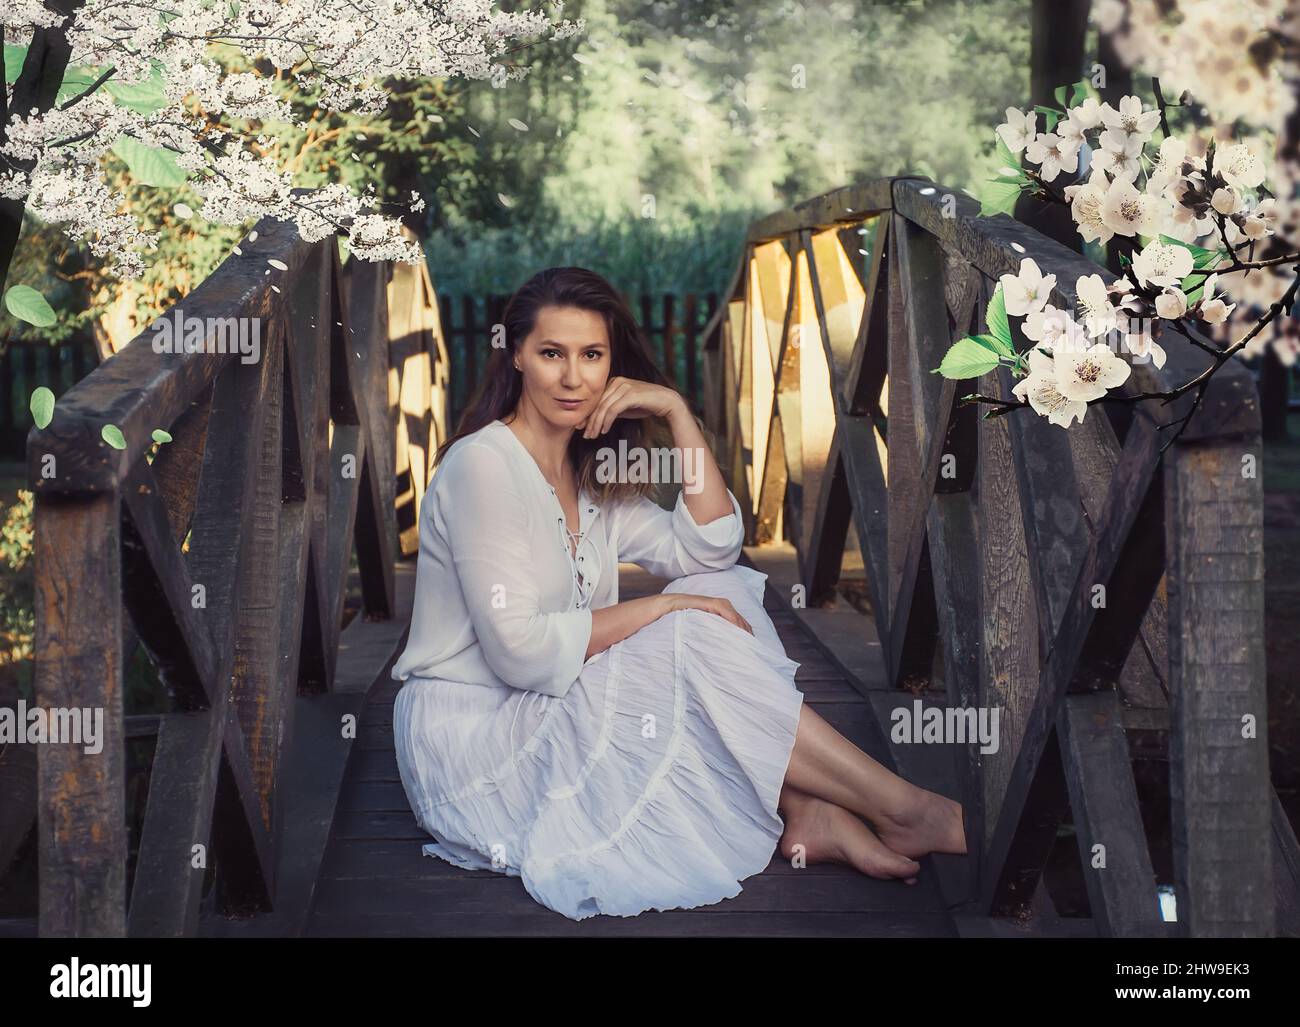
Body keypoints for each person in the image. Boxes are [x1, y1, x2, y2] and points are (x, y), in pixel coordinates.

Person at [391, 266, 965, 921]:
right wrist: (662, 607)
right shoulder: (483, 465)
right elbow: (520, 652)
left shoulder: (588, 471)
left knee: (715, 588)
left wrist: (676, 409)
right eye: (551, 353)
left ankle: (806, 809)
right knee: (687, 621)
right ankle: (905, 809)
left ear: (614, 365)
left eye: (592, 355)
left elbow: (711, 546)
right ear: (517, 353)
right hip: (471, 743)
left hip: (540, 703)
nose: (573, 377)